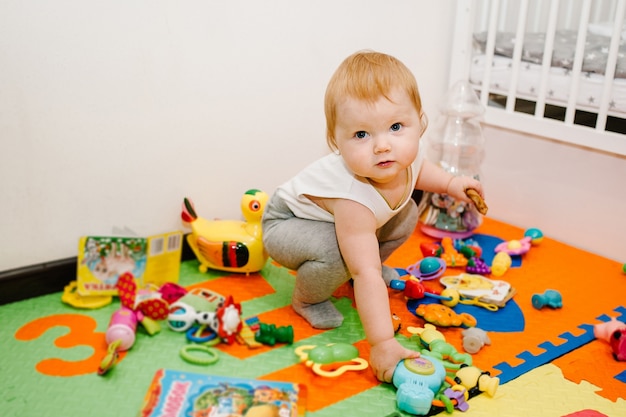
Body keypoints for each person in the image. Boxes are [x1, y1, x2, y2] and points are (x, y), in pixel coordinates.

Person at [262, 50, 485, 383]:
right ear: (335, 141)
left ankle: (350, 271)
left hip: (333, 224)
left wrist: (452, 184)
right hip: (285, 224)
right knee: (341, 255)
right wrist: (381, 342)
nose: (383, 145)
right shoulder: (352, 197)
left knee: (407, 212)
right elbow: (366, 272)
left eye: (395, 126)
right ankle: (307, 298)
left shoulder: (405, 155)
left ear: (419, 123)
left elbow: (420, 170)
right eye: (361, 135)